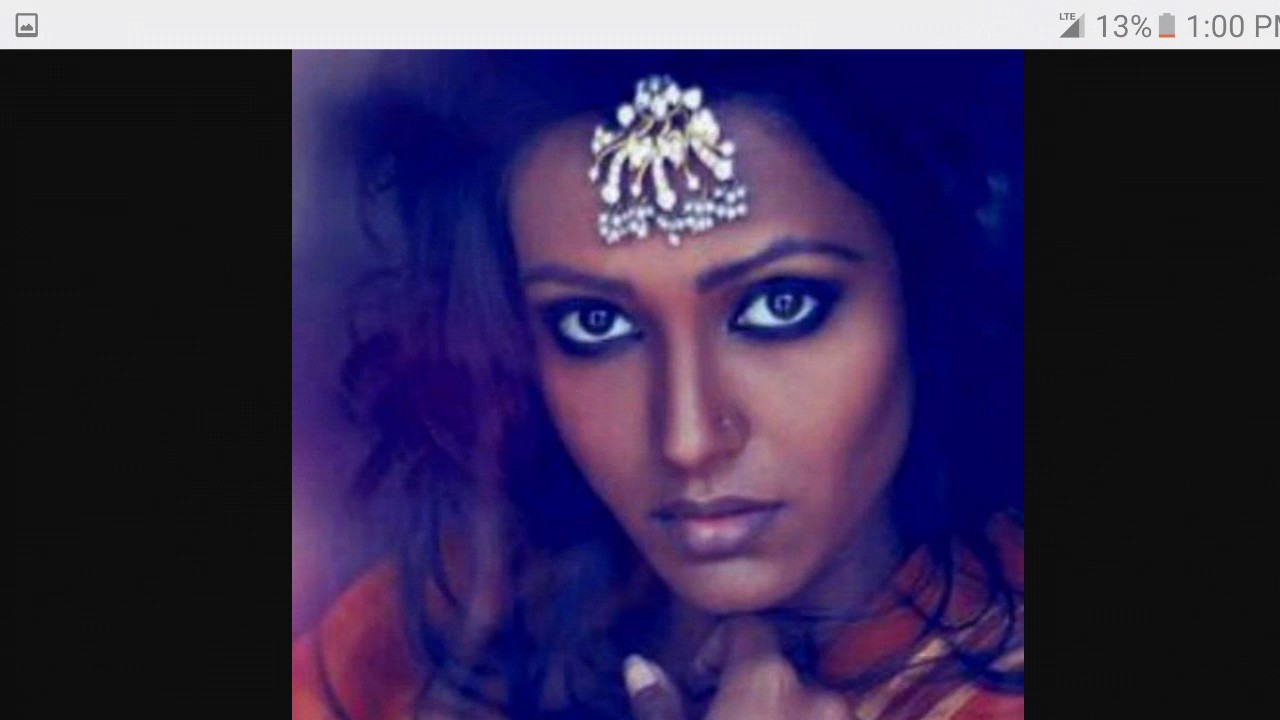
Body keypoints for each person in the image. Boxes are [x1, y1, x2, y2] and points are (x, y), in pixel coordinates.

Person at [293, 51, 1023, 720]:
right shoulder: (434, 632)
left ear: (923, 295)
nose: (688, 439)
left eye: (781, 306)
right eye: (595, 324)